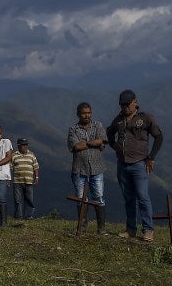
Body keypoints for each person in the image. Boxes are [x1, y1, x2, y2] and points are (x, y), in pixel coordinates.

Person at [107, 90, 163, 241]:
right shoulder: (119, 119)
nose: (125, 107)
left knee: (143, 197)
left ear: (135, 102)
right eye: (122, 104)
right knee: (128, 198)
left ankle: (148, 230)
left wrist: (151, 157)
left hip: (139, 163)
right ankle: (130, 229)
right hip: (122, 165)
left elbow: (158, 137)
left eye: (127, 104)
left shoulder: (145, 118)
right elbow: (109, 132)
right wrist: (114, 145)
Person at [68, 102, 108, 234]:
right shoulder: (73, 129)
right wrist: (94, 143)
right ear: (78, 114)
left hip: (97, 169)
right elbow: (76, 146)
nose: (87, 115)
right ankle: (82, 226)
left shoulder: (98, 125)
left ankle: (101, 228)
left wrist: (87, 143)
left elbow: (102, 140)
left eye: (89, 113)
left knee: (99, 197)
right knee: (81, 199)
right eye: (84, 113)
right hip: (79, 169)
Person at [10, 138, 39, 220]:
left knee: (29, 199)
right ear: (19, 146)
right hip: (17, 181)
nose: (25, 146)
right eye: (23, 145)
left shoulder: (31, 155)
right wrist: (9, 179)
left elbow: (35, 167)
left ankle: (28, 216)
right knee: (17, 200)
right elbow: (10, 167)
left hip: (29, 181)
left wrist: (36, 177)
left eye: (26, 144)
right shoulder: (14, 155)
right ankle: (18, 216)